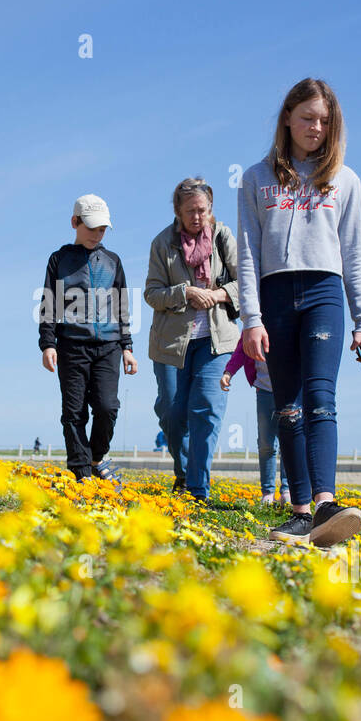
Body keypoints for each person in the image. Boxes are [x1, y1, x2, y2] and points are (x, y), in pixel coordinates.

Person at [238, 78, 361, 548]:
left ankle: (326, 502)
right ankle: (299, 513)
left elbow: (354, 254)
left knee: (321, 398)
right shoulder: (255, 178)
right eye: (307, 118)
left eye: (324, 120)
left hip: (324, 293)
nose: (315, 127)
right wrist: (250, 319)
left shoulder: (345, 179)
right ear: (288, 118)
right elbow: (248, 254)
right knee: (287, 405)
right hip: (274, 296)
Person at [146, 177, 238, 501]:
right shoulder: (162, 243)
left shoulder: (224, 237)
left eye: (203, 210)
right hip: (172, 344)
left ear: (211, 209)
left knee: (206, 407)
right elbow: (152, 294)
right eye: (190, 212)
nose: (197, 217)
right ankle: (183, 472)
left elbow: (247, 282)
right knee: (172, 414)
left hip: (216, 340)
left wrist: (221, 294)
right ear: (178, 212)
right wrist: (184, 293)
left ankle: (197, 490)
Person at [38, 194, 138, 482]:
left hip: (109, 347)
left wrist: (127, 347)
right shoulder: (59, 260)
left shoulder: (113, 261)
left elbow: (122, 306)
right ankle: (80, 473)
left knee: (108, 407)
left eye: (102, 229)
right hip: (71, 345)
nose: (97, 234)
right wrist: (48, 343)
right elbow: (48, 305)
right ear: (75, 222)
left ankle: (95, 458)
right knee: (74, 411)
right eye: (92, 227)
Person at [222, 335, 296, 506]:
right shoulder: (254, 321)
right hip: (264, 389)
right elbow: (241, 349)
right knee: (266, 444)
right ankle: (268, 492)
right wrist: (228, 372)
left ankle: (287, 490)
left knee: (289, 441)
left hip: (290, 389)